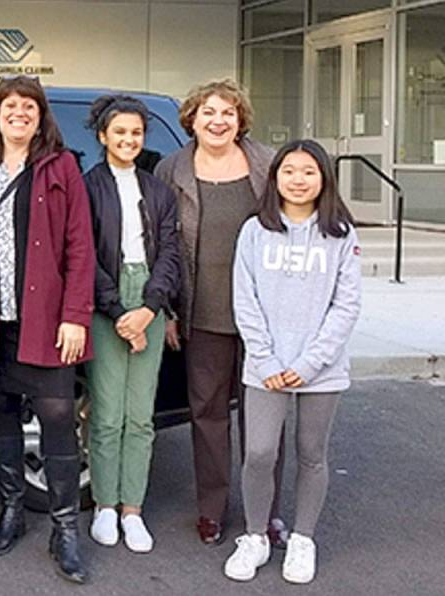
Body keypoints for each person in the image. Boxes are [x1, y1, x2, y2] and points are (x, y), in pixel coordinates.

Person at [0, 76, 95, 584]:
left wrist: (75, 314)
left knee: (56, 417)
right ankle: (12, 510)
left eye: (29, 106)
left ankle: (65, 527)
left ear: (41, 116)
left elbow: (79, 246)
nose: (20, 114)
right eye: (11, 105)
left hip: (46, 323)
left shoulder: (61, 166)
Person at [154, 79, 287, 546]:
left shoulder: (267, 164)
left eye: (227, 112)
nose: (218, 120)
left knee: (264, 421)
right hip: (203, 314)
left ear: (241, 119)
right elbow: (162, 242)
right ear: (191, 118)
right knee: (207, 415)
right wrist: (166, 308)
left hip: (266, 318)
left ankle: (265, 512)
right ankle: (212, 509)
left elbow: (302, 215)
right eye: (208, 112)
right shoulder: (173, 169)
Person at [224, 139, 361, 584]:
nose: (298, 180)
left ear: (323, 178)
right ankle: (256, 535)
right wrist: (265, 360)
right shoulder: (254, 231)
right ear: (275, 177)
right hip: (265, 366)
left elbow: (346, 305)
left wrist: (309, 362)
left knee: (311, 454)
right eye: (289, 171)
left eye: (308, 172)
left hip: (321, 369)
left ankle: (302, 538)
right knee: (259, 452)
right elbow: (244, 300)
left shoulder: (340, 233)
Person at [82, 95, 180, 554]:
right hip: (105, 300)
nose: (128, 139)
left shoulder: (159, 189)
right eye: (119, 131)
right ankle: (104, 505)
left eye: (136, 132)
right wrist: (119, 313)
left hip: (149, 300)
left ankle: (132, 509)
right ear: (103, 135)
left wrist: (149, 309)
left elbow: (171, 255)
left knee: (140, 415)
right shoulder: (87, 187)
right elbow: (82, 257)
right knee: (105, 412)